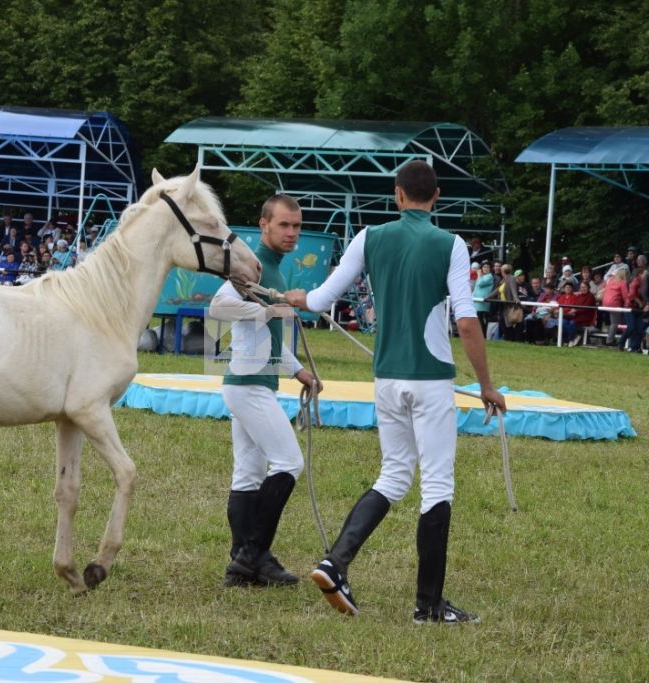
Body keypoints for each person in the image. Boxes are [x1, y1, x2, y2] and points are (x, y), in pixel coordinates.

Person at [284, 160, 506, 624]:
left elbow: (322, 300)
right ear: (437, 195)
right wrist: (486, 385)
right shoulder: (451, 244)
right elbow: (466, 321)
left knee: (394, 474)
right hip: (431, 379)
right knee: (437, 485)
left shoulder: (369, 237)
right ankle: (428, 606)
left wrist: (295, 298)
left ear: (398, 194)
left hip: (386, 378)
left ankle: (336, 562)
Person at [208, 194, 320, 589]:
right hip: (248, 386)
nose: (292, 233)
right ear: (264, 225)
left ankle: (248, 563)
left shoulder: (273, 269)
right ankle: (251, 555)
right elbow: (218, 308)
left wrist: (298, 371)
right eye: (284, 225)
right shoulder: (252, 266)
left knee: (249, 475)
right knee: (289, 462)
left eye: (297, 226)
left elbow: (269, 335)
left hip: (254, 383)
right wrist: (266, 309)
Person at [471, 261, 494, 335]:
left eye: (488, 267)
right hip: (477, 302)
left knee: (480, 319)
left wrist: (478, 275)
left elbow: (480, 283)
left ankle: (482, 335)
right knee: (478, 319)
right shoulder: (482, 276)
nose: (486, 268)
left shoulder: (489, 276)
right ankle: (479, 335)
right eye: (484, 267)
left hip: (482, 303)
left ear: (490, 269)